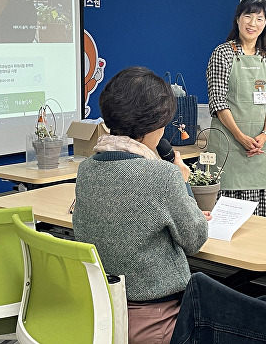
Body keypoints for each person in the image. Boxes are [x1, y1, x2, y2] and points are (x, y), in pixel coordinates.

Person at [72, 66, 209, 344]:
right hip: (158, 319)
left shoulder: (87, 169)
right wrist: (183, 182)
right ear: (154, 124)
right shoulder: (163, 175)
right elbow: (195, 239)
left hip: (101, 310)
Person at [206, 0, 266, 219]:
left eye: (259, 19)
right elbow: (218, 102)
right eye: (248, 16)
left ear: (265, 25)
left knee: (263, 211)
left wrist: (264, 133)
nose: (252, 23)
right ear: (238, 19)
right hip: (230, 141)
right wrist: (241, 137)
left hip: (260, 144)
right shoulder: (223, 53)